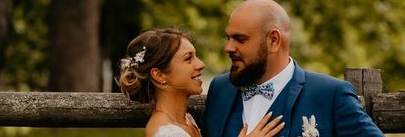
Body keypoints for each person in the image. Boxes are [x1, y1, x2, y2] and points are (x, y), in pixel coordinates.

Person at [202, 0, 385, 137]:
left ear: (273, 40)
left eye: (240, 39)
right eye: (228, 38)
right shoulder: (220, 90)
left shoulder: (331, 95)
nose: (228, 47)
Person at [119, 27, 285, 137]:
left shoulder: (188, 119)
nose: (201, 64)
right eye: (188, 59)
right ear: (159, 75)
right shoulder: (166, 132)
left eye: (195, 56)